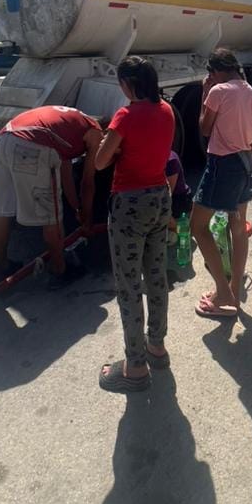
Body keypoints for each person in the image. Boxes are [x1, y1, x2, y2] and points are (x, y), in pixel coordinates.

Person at [95, 57, 176, 393]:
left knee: (129, 285)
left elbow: (100, 162)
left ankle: (135, 367)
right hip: (160, 197)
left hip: (130, 205)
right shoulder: (167, 110)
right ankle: (156, 346)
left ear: (129, 83)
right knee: (156, 275)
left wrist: (112, 149)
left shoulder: (125, 116)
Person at [0, 105, 102, 287]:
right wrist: (87, 219)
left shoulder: (71, 125)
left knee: (2, 211)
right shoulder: (96, 132)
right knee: (51, 215)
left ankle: (1, 266)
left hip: (5, 138)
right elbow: (87, 182)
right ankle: (59, 270)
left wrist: (76, 208)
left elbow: (66, 174)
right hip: (32, 145)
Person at [191, 48, 252, 318]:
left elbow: (205, 129)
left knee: (198, 226)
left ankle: (222, 294)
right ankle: (232, 287)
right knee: (238, 227)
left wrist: (204, 95)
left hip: (223, 164)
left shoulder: (218, 92)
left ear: (216, 71)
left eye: (210, 73)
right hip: (245, 163)